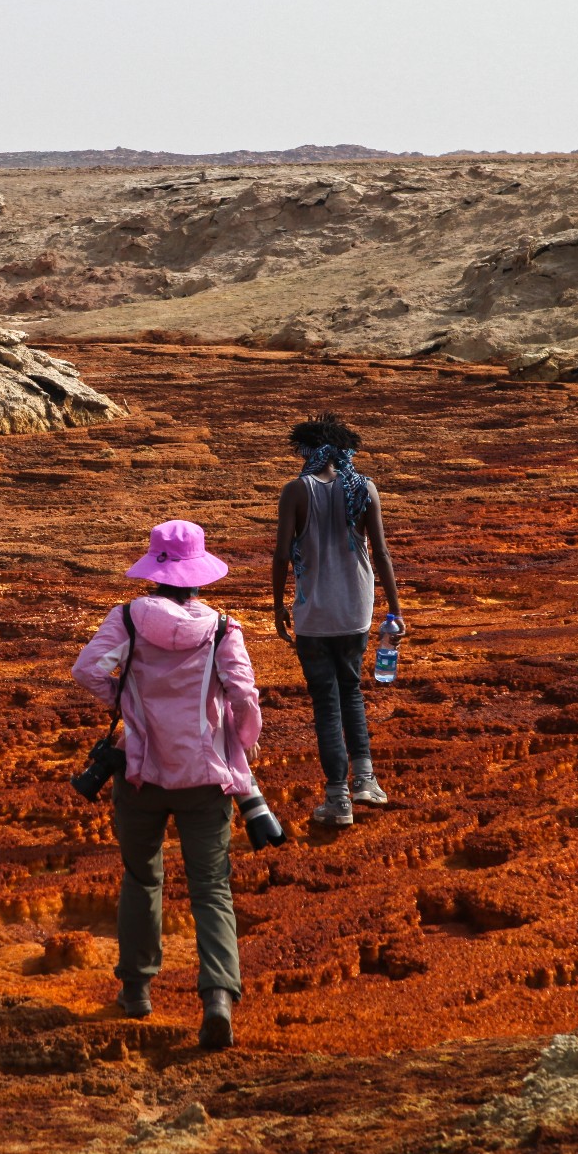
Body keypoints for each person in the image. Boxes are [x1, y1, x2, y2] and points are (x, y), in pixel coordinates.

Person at [71, 519, 261, 1049]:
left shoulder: (128, 618)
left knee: (141, 878)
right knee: (211, 888)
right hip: (204, 779)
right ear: (198, 575)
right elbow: (244, 695)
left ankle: (136, 991)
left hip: (139, 773)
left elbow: (87, 670)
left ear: (155, 570)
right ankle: (218, 998)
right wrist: (241, 743)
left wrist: (125, 702)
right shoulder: (223, 629)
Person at [272, 414, 404, 828]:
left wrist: (278, 608)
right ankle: (366, 781)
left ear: (306, 452)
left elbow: (280, 555)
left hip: (313, 613)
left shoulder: (296, 491)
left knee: (326, 703)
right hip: (356, 610)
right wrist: (395, 611)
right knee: (351, 692)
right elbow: (380, 553)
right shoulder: (364, 488)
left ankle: (338, 800)